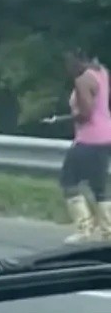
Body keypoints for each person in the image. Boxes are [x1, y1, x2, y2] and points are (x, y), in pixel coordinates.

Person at [60, 48, 111, 243]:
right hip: (106, 135)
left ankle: (84, 228)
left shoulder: (82, 80)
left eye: (69, 62)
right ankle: (108, 231)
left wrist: (70, 118)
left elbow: (87, 113)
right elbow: (101, 105)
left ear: (78, 59)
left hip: (88, 138)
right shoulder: (103, 73)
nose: (68, 68)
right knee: (99, 185)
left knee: (68, 180)